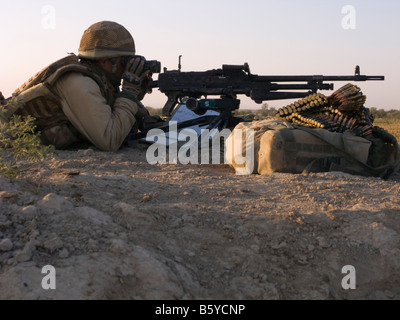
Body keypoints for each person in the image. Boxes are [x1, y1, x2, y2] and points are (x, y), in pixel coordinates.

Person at [3, 21, 155, 152]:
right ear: (104, 61)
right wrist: (129, 94)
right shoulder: (79, 83)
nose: (128, 67)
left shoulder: (100, 81)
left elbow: (117, 117)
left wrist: (135, 96)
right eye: (125, 61)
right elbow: (110, 140)